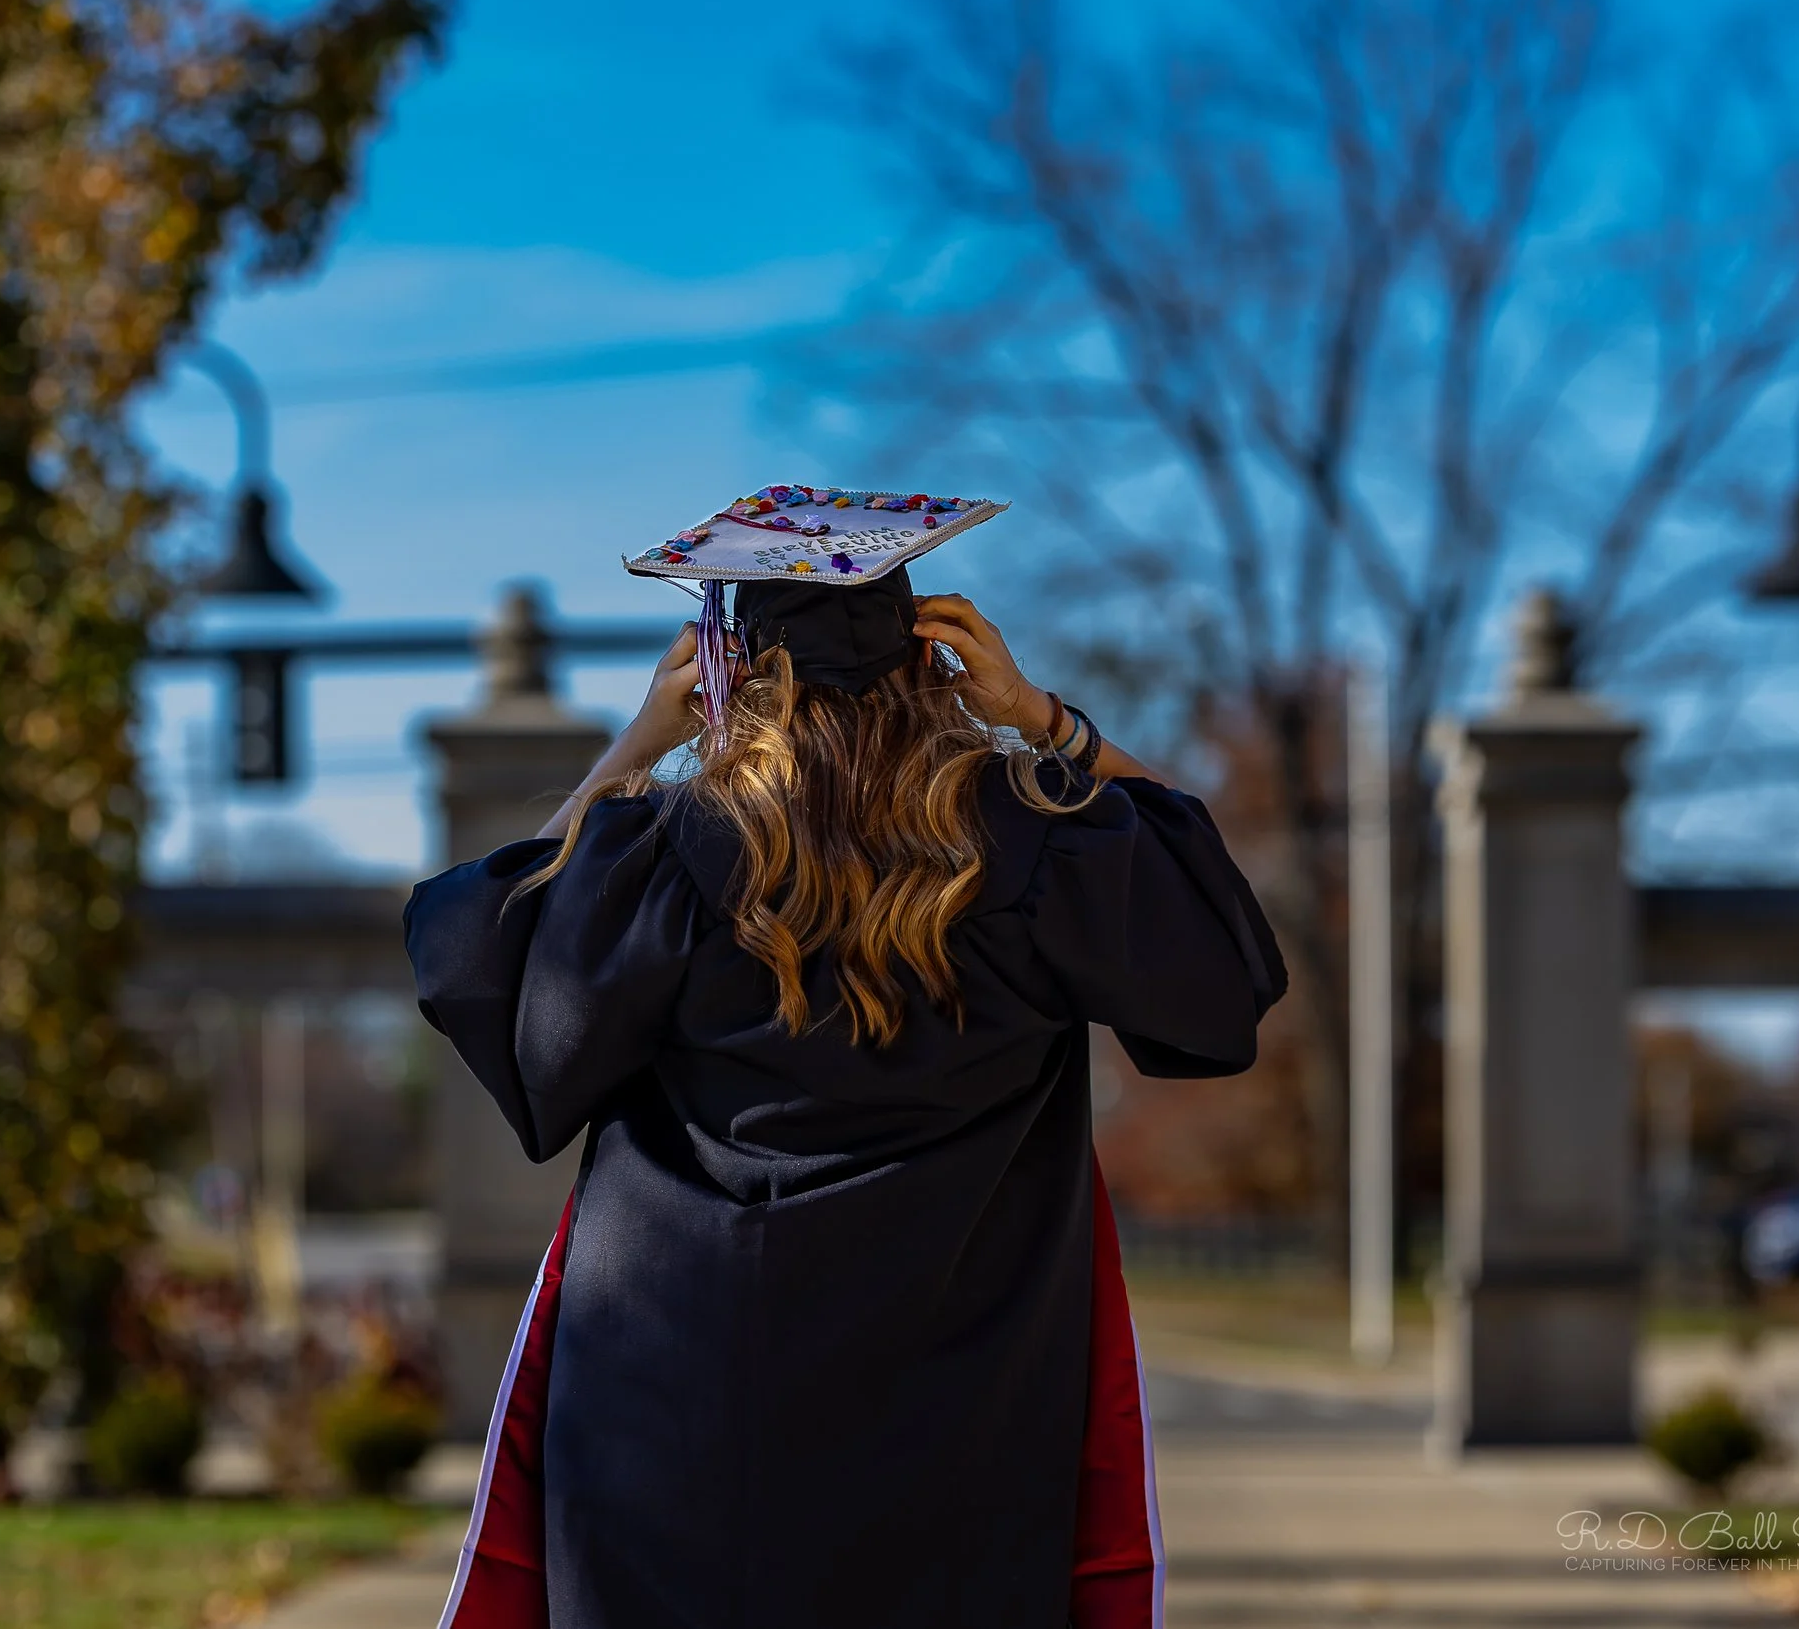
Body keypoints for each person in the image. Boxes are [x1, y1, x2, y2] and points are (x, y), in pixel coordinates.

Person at [404, 489, 1285, 1629]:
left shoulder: (659, 858)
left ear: (729, 678)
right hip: (962, 1425)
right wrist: (1047, 722)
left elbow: (478, 945)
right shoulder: (1030, 843)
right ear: (934, 659)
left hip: (671, 1415)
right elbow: (1216, 939)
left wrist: (637, 743)